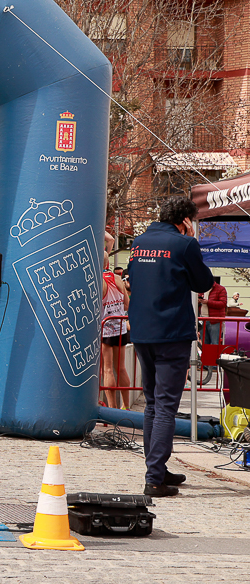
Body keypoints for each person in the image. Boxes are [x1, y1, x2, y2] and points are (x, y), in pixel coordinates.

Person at [125, 196, 214, 497]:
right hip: (172, 333)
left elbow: (134, 280)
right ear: (186, 220)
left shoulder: (139, 242)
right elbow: (203, 283)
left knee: (152, 403)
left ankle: (158, 469)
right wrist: (191, 241)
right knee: (165, 406)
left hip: (142, 331)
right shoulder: (184, 244)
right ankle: (154, 478)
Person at [100, 252, 131, 410]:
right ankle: (126, 405)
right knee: (121, 368)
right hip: (120, 328)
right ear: (108, 263)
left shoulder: (98, 281)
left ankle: (112, 407)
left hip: (105, 328)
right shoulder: (118, 279)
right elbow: (126, 305)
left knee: (107, 369)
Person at [202, 276, 227, 346]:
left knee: (214, 343)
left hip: (215, 320)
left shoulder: (220, 289)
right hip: (202, 319)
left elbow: (223, 303)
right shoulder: (201, 288)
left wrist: (208, 302)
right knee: (204, 343)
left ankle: (213, 354)